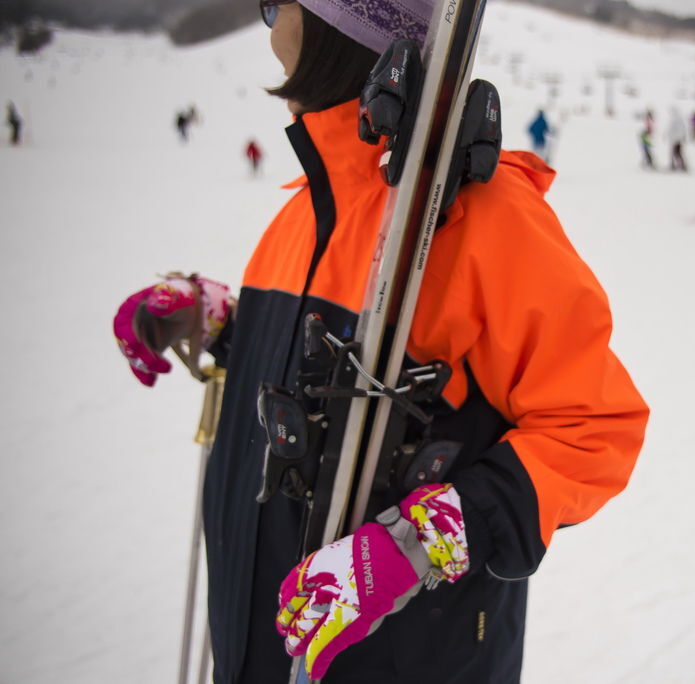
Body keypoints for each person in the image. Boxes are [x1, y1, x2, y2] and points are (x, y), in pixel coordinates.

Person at [112, 2, 648, 683]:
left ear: (345, 25)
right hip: (259, 644)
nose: (265, 12)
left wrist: (422, 542)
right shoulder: (306, 205)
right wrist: (217, 320)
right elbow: (316, 360)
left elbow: (595, 427)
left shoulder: (475, 215)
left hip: (405, 658)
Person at [667, 107, 688, 172]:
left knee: (675, 153)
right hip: (676, 140)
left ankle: (676, 165)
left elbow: (678, 130)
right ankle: (679, 165)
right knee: (677, 153)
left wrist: (677, 138)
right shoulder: (677, 119)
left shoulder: (677, 120)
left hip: (677, 140)